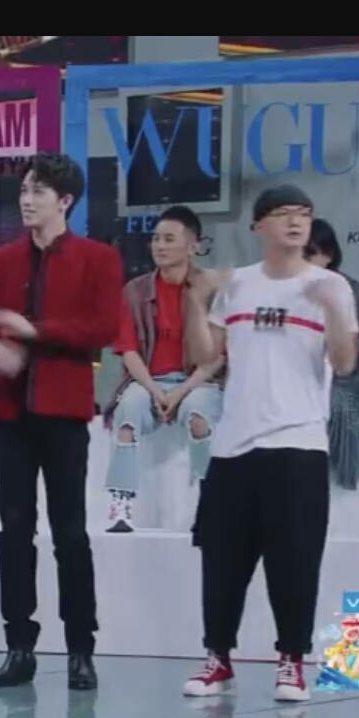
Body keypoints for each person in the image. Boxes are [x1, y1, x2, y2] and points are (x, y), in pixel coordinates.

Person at [181, 185, 359, 703]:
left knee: (295, 562)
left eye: (303, 213)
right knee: (222, 562)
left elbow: (344, 362)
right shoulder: (238, 284)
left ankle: (291, 663)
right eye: (283, 214)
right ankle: (217, 659)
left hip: (298, 443)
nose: (296, 222)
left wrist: (332, 311)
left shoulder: (329, 285)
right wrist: (194, 300)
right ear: (258, 226)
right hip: (233, 446)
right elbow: (205, 356)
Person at [0, 152, 122, 690]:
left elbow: (103, 327)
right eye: (24, 190)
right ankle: (19, 647)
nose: (27, 200)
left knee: (70, 533)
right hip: (10, 415)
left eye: (38, 192)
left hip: (64, 414)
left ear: (65, 201)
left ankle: (80, 650)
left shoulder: (98, 259)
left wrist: (36, 331)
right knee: (14, 533)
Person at [101, 205, 224, 533]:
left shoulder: (211, 291)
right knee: (128, 412)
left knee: (199, 416)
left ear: (192, 246)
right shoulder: (134, 291)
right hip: (149, 381)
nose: (159, 246)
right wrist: (156, 392)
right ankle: (121, 504)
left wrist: (180, 392)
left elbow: (217, 357)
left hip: (198, 382)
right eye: (156, 239)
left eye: (169, 239)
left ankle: (211, 504)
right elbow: (128, 351)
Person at [305, 218, 359, 491]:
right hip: (295, 369)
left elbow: (353, 354)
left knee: (339, 405)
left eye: (310, 253)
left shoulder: (351, 290)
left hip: (342, 377)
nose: (303, 260)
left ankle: (342, 482)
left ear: (328, 254)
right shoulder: (284, 287)